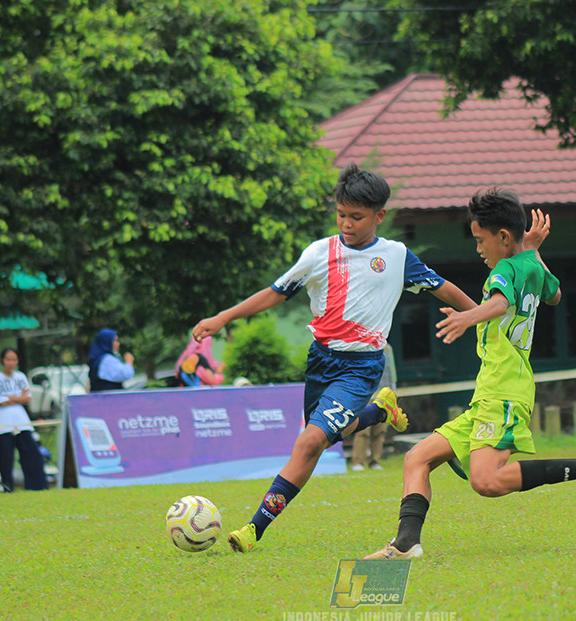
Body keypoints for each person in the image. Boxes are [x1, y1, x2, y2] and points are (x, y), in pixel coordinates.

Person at [192, 162, 477, 553]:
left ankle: (253, 529)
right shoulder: (318, 253)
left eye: (357, 217)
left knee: (309, 442)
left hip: (361, 366)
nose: (347, 223)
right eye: (341, 214)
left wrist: (478, 315)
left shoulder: (395, 256)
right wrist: (223, 317)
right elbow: (276, 291)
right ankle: (379, 411)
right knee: (317, 443)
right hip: (321, 361)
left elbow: (441, 287)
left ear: (379, 216)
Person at [364, 188, 576, 560]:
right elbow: (554, 296)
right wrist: (533, 251)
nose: (478, 249)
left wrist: (468, 315)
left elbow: (500, 302)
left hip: (505, 390)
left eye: (480, 240)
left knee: (485, 481)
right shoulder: (532, 265)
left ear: (503, 237)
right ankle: (406, 543)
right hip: (491, 392)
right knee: (417, 458)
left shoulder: (504, 270)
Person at [0, 347, 48, 492]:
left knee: (31, 453)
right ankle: (8, 487)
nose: (11, 363)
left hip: (22, 422)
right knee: (6, 457)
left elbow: (27, 398)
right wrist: (18, 398)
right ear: (2, 360)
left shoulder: (20, 376)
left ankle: (36, 486)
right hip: (3, 423)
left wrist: (10, 397)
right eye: (8, 359)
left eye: (14, 359)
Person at [350, 342, 397, 471]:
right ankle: (358, 461)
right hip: (366, 394)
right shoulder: (362, 346)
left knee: (380, 431)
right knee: (362, 430)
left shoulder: (388, 348)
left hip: (384, 396)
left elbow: (391, 372)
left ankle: (375, 461)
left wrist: (393, 391)